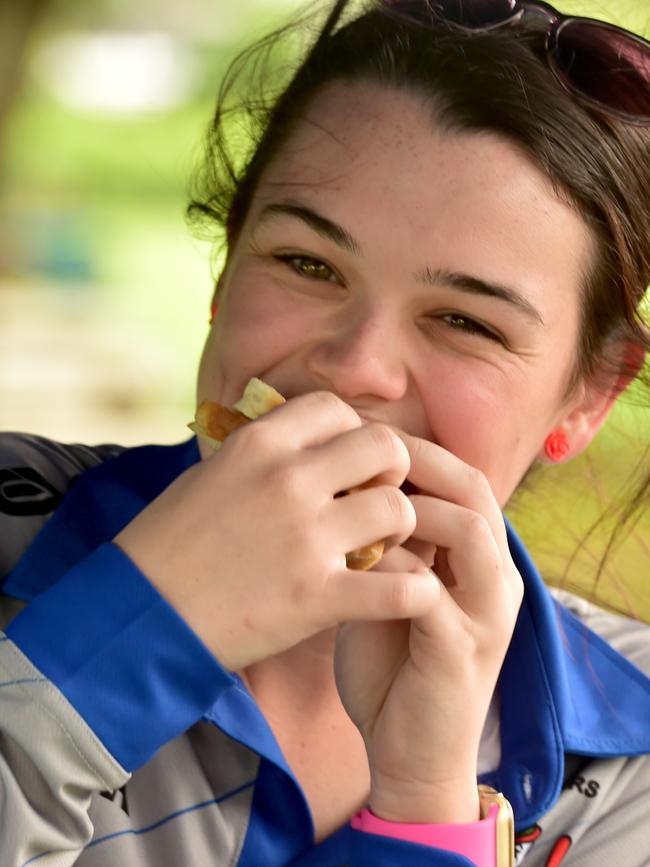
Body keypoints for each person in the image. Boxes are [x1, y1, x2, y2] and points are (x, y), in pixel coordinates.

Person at [1, 0, 649, 864]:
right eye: (308, 264)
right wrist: (135, 635)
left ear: (588, 399)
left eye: (466, 321)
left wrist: (425, 808)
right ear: (225, 275)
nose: (354, 367)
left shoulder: (632, 763)